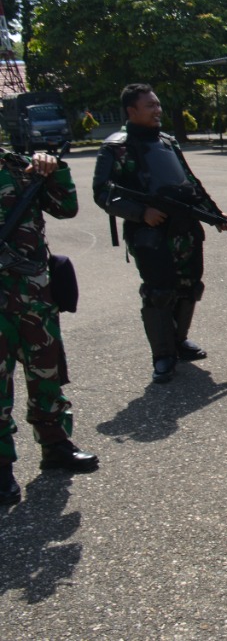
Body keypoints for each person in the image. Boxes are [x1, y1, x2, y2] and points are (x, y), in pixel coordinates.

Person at [93, 84, 227, 384]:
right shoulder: (115, 147)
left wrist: (215, 215)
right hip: (149, 234)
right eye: (150, 106)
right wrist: (140, 213)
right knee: (159, 293)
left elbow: (191, 184)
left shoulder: (168, 142)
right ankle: (163, 355)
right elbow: (102, 193)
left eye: (158, 104)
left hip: (185, 229)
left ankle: (178, 341)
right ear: (132, 111)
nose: (158, 110)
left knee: (189, 287)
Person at [1, 146, 98, 504]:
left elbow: (65, 208)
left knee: (46, 373)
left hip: (34, 295)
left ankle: (56, 446)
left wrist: (54, 169)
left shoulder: (20, 165)